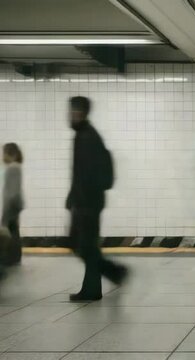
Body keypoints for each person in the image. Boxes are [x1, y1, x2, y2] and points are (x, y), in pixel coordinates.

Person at [66, 96, 127, 301]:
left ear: (81, 112)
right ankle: (95, 285)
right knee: (86, 246)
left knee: (83, 246)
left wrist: (78, 201)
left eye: (73, 111)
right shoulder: (85, 135)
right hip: (86, 201)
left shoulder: (87, 137)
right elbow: (79, 173)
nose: (70, 115)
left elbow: (86, 175)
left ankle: (111, 274)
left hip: (87, 203)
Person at [2, 143, 24, 266]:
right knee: (14, 230)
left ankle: (12, 257)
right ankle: (15, 257)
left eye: (4, 153)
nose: (2, 156)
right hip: (16, 204)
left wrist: (6, 211)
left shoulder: (12, 168)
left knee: (10, 231)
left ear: (11, 154)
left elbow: (12, 192)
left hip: (11, 205)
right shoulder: (16, 167)